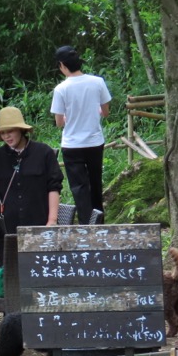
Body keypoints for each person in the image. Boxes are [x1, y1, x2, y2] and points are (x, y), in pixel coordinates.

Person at [0, 107, 64, 262]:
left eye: (10, 131)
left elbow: (54, 187)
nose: (7, 136)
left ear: (20, 130)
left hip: (39, 224)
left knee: (41, 268)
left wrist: (52, 221)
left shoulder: (44, 153)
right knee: (11, 273)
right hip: (7, 227)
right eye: (3, 133)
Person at [50, 45, 112, 224]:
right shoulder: (97, 82)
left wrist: (70, 117)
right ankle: (99, 223)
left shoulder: (61, 89)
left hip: (72, 145)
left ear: (62, 65)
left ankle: (86, 225)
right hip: (94, 142)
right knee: (95, 182)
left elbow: (59, 122)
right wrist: (94, 112)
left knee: (79, 187)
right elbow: (105, 112)